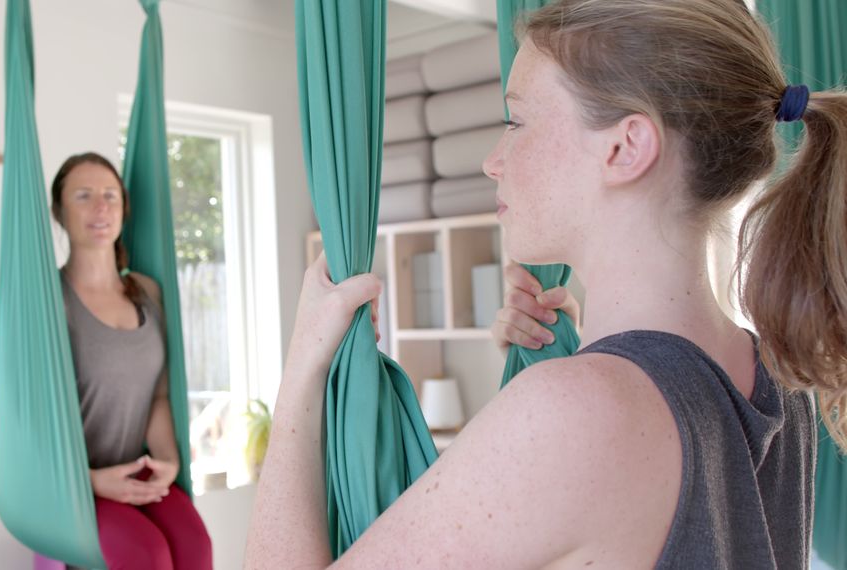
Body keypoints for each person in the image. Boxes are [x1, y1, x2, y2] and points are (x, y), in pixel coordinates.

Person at [246, 0, 846, 567]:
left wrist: (303, 368)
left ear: (625, 146)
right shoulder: (776, 375)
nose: (492, 160)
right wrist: (584, 358)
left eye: (517, 119)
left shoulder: (579, 411)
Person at [51, 152, 212, 570]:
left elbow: (157, 394)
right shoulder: (50, 300)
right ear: (59, 212)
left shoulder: (147, 291)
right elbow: (34, 423)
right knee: (147, 555)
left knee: (196, 546)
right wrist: (91, 481)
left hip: (138, 469)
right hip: (78, 485)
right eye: (83, 196)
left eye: (110, 195)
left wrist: (168, 461)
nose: (100, 207)